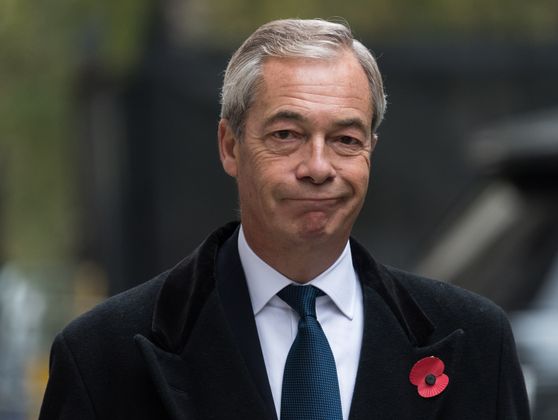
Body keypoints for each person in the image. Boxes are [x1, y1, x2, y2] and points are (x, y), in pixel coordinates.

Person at [39, 18, 530, 420]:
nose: (318, 167)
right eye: (287, 134)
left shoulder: (475, 345)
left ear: (370, 153)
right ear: (230, 147)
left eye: (345, 140)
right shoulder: (103, 358)